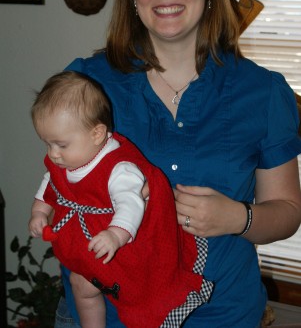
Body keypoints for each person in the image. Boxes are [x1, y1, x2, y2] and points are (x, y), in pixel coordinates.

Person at [54, 0, 301, 327]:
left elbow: (289, 210)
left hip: (222, 312)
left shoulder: (264, 92)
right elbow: (60, 185)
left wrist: (236, 217)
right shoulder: (87, 83)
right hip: (110, 313)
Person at [28, 71, 213, 328]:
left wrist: (116, 234)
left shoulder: (119, 168)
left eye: (60, 145)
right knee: (80, 285)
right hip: (90, 248)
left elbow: (131, 204)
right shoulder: (68, 159)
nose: (53, 154)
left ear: (96, 134)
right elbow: (51, 182)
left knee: (136, 298)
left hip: (125, 248)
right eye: (47, 144)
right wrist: (39, 211)